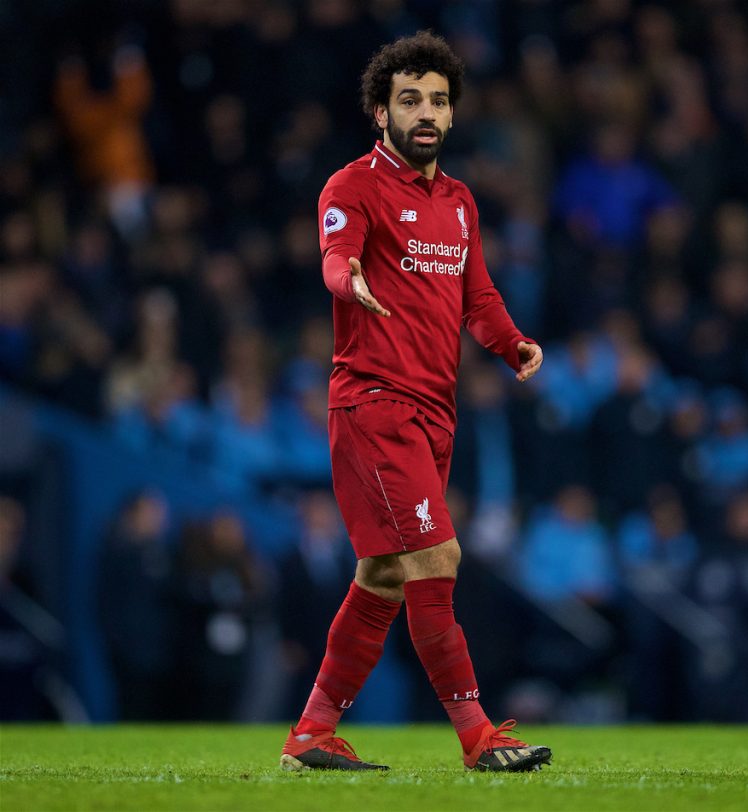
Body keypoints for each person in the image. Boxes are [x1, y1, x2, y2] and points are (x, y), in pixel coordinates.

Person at [279, 32, 548, 773]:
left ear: (453, 116)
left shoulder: (460, 203)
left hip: (435, 411)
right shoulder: (351, 186)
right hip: (373, 404)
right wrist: (347, 281)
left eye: (437, 100)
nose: (425, 113)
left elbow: (479, 297)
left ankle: (309, 735)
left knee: (383, 576)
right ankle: (477, 735)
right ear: (380, 112)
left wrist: (512, 343)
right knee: (439, 555)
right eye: (409, 100)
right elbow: (337, 254)